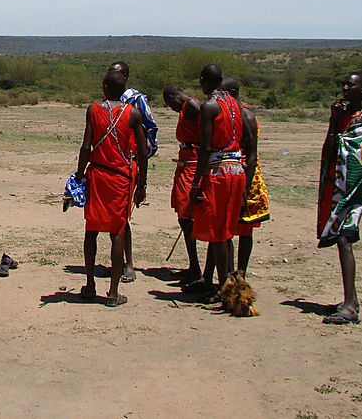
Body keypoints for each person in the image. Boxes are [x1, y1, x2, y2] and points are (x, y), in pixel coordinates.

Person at [75, 70, 147, 307]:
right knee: (117, 233)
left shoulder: (93, 110)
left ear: (105, 86)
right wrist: (141, 184)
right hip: (121, 180)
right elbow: (143, 153)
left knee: (91, 230)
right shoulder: (133, 113)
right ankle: (113, 293)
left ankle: (89, 285)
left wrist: (79, 174)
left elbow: (86, 146)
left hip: (96, 175)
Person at [317, 73, 362, 325]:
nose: (345, 88)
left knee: (345, 238)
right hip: (338, 185)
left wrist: (342, 139)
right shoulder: (343, 117)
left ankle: (349, 307)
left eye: (351, 84)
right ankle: (351, 300)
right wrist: (334, 122)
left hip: (355, 186)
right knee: (342, 239)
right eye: (343, 84)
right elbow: (331, 148)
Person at [189, 64, 254, 298]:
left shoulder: (210, 107)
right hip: (237, 171)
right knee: (226, 232)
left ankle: (227, 288)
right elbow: (247, 138)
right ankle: (230, 284)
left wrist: (196, 182)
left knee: (218, 233)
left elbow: (205, 147)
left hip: (218, 174)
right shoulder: (235, 105)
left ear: (204, 80)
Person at [107, 61, 158, 284]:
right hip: (108, 166)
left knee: (121, 217)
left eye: (116, 73)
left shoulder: (136, 100)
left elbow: (150, 129)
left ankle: (128, 263)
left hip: (128, 165)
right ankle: (117, 261)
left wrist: (140, 157)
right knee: (109, 216)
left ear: (125, 76)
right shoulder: (107, 102)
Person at [220, 77, 268, 276]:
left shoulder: (244, 115)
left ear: (230, 92)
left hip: (246, 176)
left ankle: (240, 274)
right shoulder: (230, 113)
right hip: (231, 174)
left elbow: (252, 153)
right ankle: (227, 275)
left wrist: (244, 189)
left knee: (245, 228)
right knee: (225, 229)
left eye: (221, 92)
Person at [162, 85, 203, 278]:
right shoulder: (187, 107)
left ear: (173, 98)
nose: (171, 109)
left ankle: (196, 268)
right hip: (185, 163)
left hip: (193, 164)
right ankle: (193, 266)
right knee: (184, 215)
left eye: (169, 105)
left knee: (186, 217)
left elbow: (206, 134)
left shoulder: (192, 106)